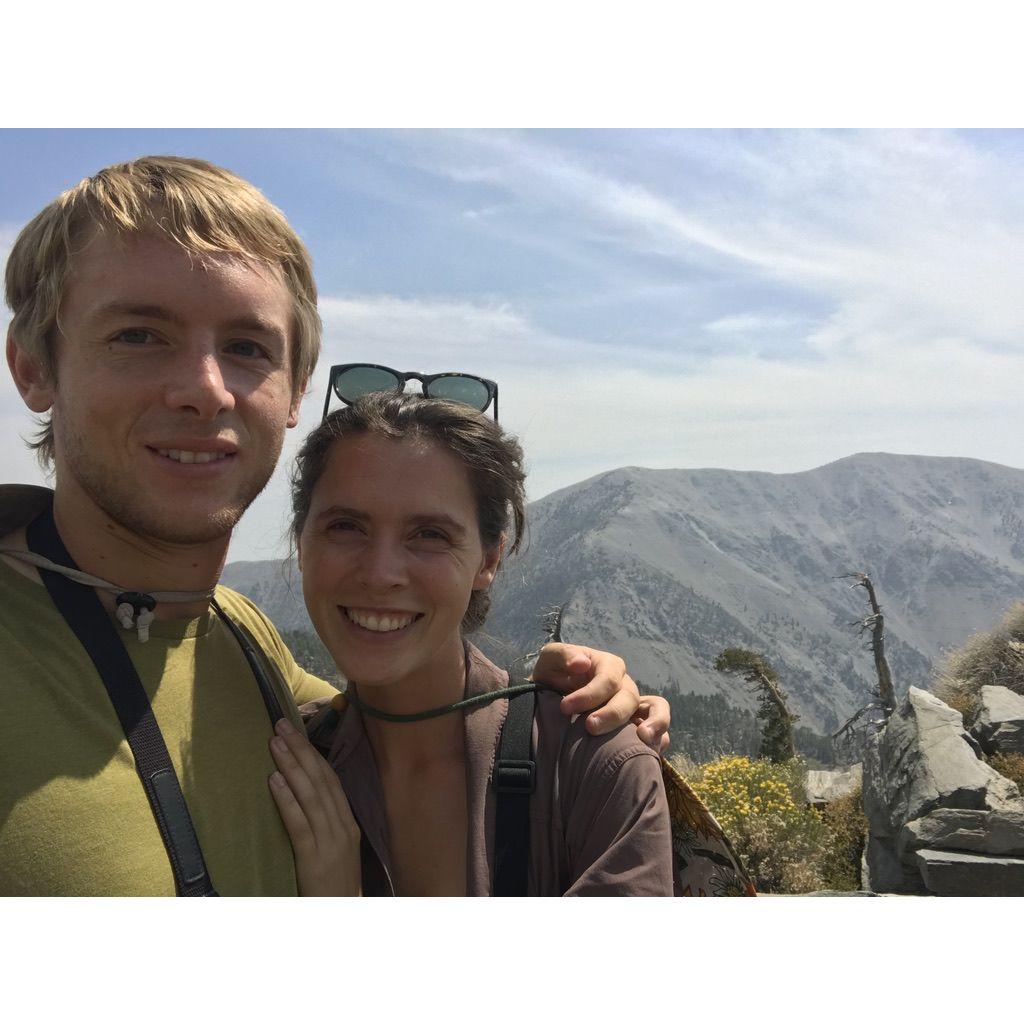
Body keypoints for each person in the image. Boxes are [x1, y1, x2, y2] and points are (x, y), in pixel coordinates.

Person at [0, 155, 671, 896]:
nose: (204, 389)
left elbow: (411, 701)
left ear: (292, 393)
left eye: (248, 347)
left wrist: (582, 708)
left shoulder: (245, 650)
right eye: (138, 334)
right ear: (32, 368)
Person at [268, 390, 676, 895]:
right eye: (345, 526)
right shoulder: (286, 764)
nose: (380, 574)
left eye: (430, 534)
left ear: (488, 560)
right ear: (301, 541)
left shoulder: (591, 767)